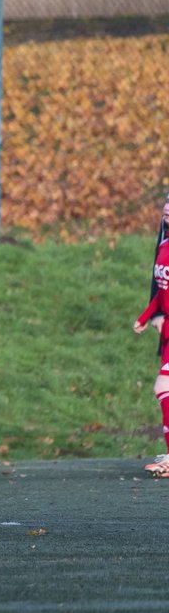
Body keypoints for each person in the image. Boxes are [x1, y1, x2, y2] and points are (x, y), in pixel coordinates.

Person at [135, 193, 169, 476]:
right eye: (166, 203)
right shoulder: (164, 245)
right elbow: (161, 292)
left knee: (163, 387)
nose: (167, 208)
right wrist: (146, 317)